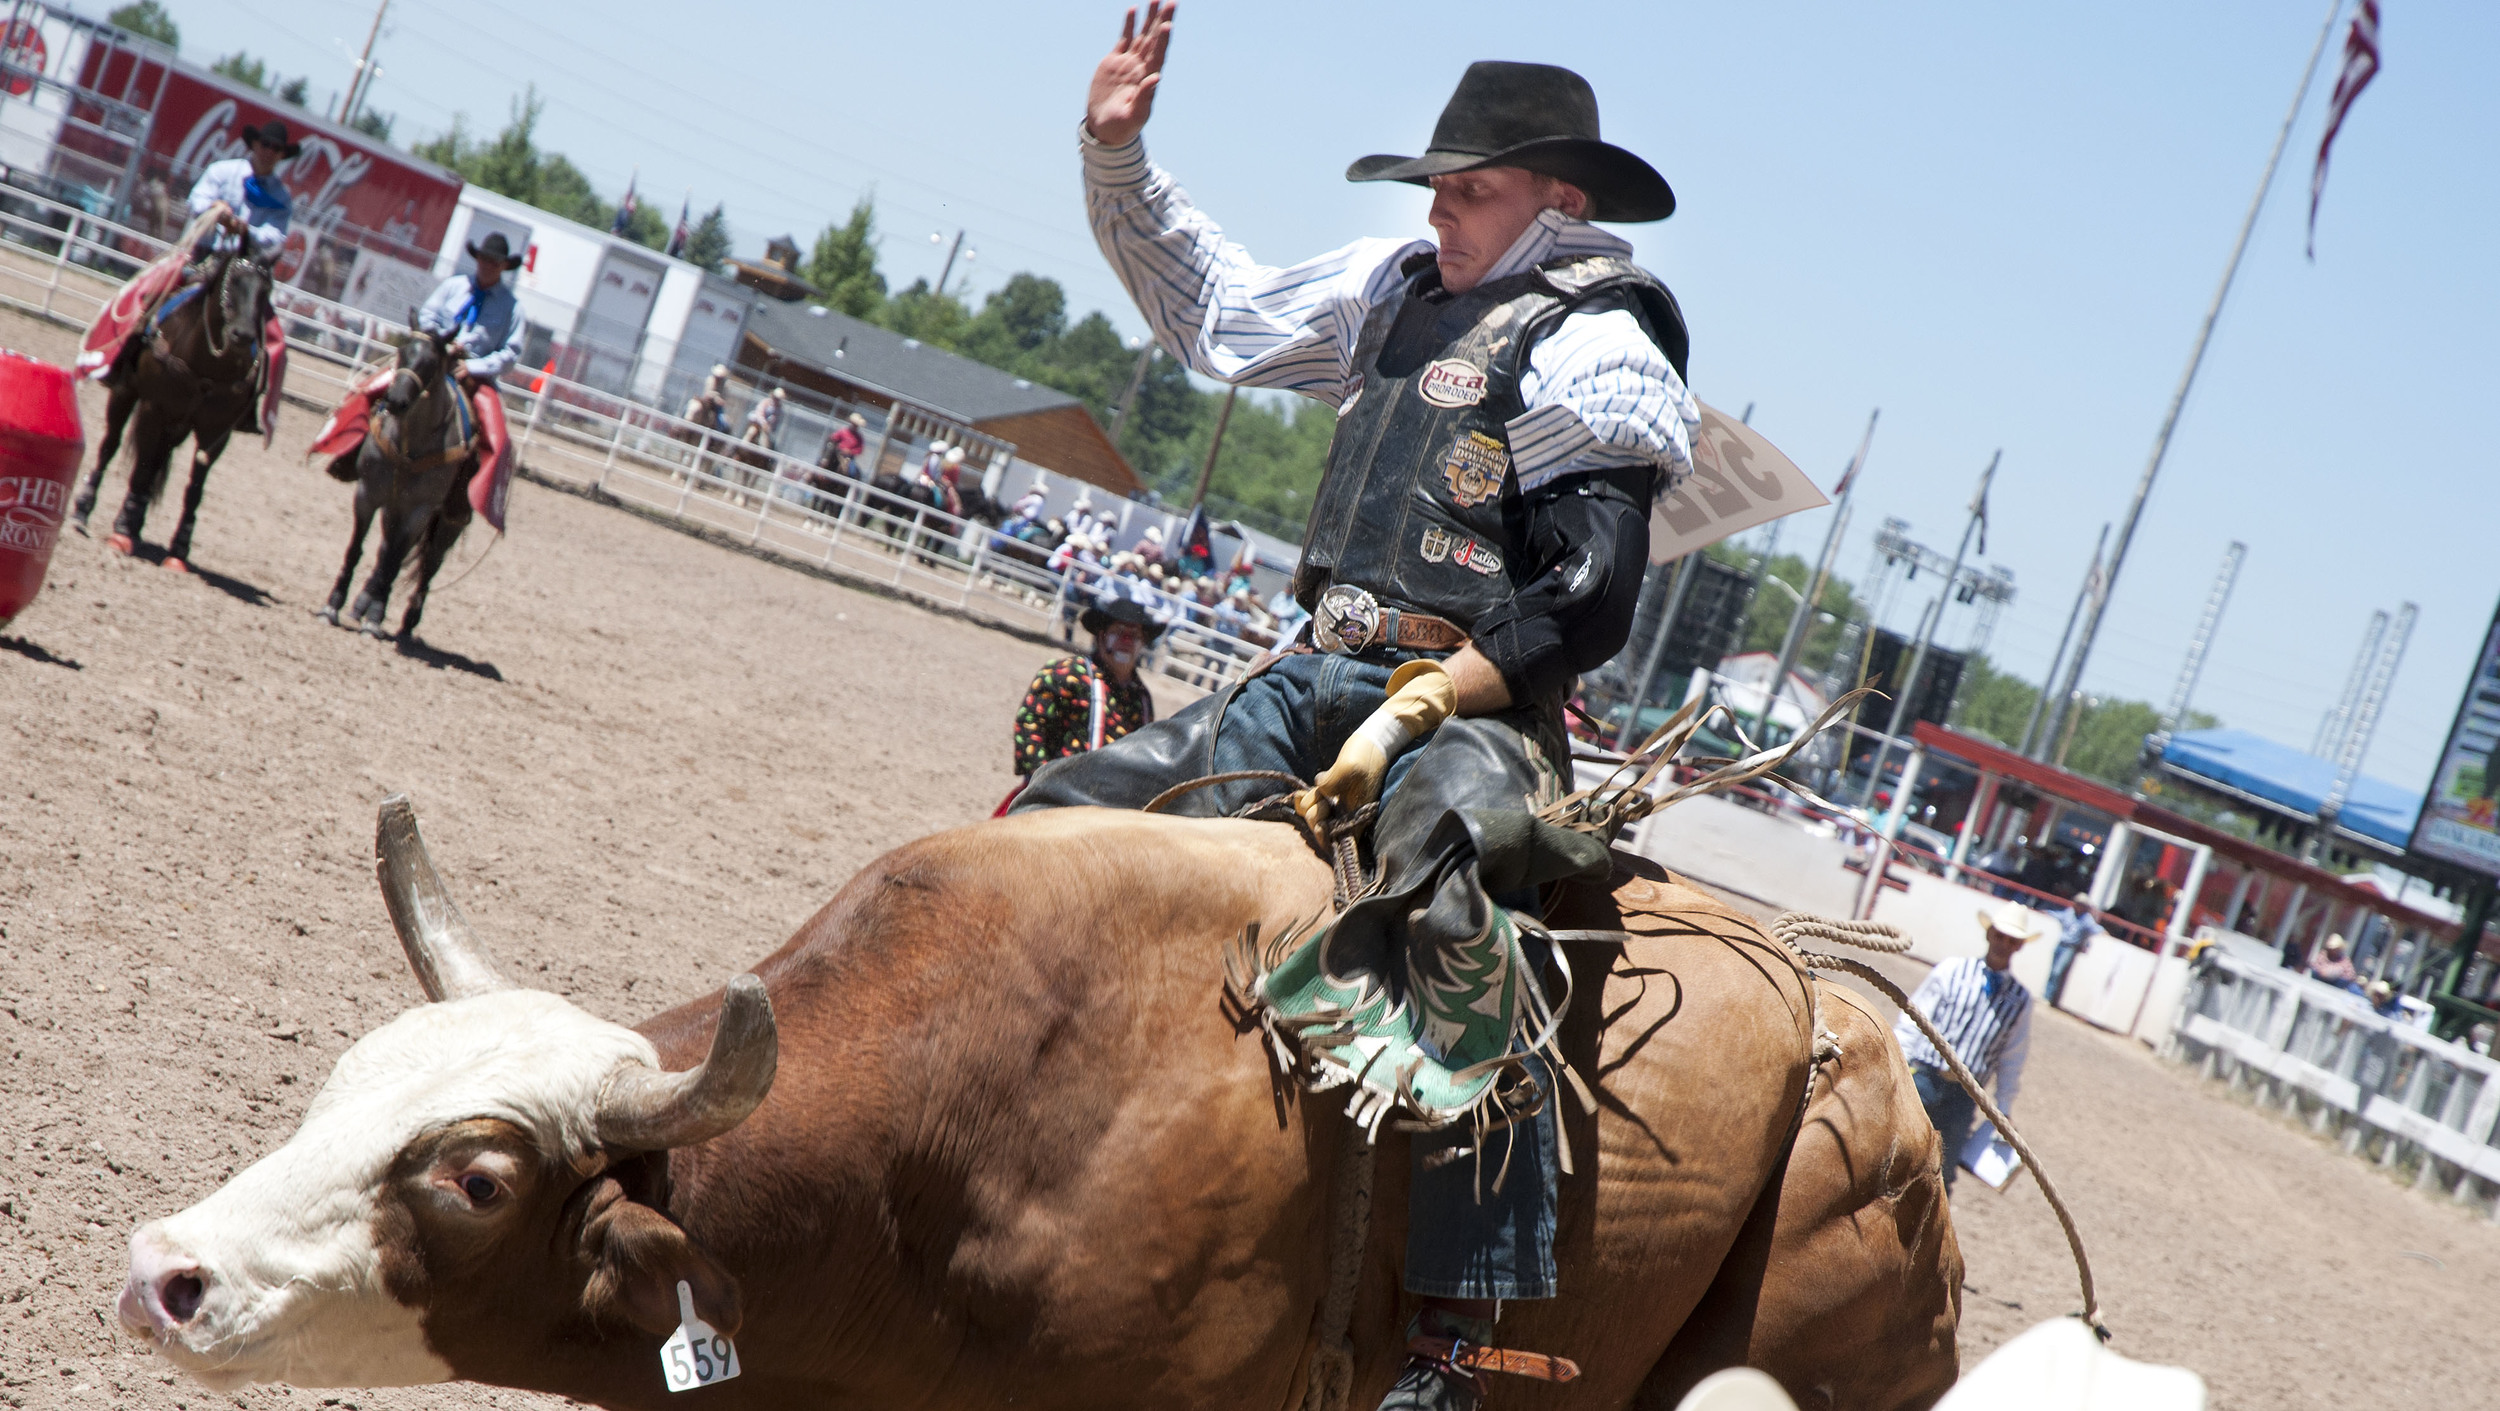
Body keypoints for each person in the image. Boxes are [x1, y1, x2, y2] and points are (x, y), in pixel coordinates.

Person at [1016, 11, 1697, 1404]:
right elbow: (1217, 309)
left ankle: (1456, 1328)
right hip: (1311, 666)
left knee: (1453, 891)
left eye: (1471, 190)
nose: (1440, 211)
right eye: (1438, 189)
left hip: (1478, 713)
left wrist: (1431, 697)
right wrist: (1117, 155)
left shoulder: (1598, 336)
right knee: (1068, 807)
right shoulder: (1388, 288)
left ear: (1555, 203)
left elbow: (1589, 597)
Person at [307, 232, 526, 532]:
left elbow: (510, 353)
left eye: (495, 262)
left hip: (473, 373)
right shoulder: (454, 286)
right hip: (432, 358)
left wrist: (474, 365)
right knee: (371, 389)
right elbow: (427, 316)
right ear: (478, 259)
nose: (488, 265)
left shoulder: (512, 308)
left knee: (497, 439)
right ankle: (350, 453)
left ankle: (463, 498)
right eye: (485, 259)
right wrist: (440, 342)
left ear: (504, 267)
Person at [85, 119, 301, 407]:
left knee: (275, 345)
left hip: (246, 270)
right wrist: (215, 210)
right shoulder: (224, 172)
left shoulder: (282, 197)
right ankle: (121, 359)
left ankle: (250, 404)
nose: (269, 151)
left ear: (281, 154)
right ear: (255, 144)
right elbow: (196, 201)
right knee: (148, 295)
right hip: (205, 256)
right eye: (266, 144)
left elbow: (276, 237)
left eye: (276, 148)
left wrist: (246, 230)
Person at [1895, 902, 2045, 1193]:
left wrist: (2003, 1107)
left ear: (2019, 947)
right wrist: (1898, 1063)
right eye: (2000, 936)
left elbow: (2012, 1058)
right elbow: (1914, 1018)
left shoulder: (2020, 1000)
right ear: (1989, 935)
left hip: (1963, 1096)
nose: (2003, 944)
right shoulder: (1952, 970)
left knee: (1942, 1176)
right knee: (1892, 1150)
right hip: (1922, 1078)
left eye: (2011, 940)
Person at [1008, 590, 1161, 792]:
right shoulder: (1065, 674)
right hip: (1056, 792)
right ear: (1101, 635)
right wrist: (1042, 782)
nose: (1126, 641)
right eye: (1119, 632)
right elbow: (1030, 724)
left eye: (1134, 636)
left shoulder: (1141, 698)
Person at [2044, 891, 2102, 1009]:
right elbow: (2058, 915)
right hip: (2061, 944)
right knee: (2053, 970)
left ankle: (2049, 997)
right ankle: (2047, 996)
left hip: (2070, 947)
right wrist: (2046, 913)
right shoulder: (2069, 913)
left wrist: (2103, 932)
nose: (2077, 905)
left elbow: (2095, 929)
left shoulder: (2086, 919)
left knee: (2057, 971)